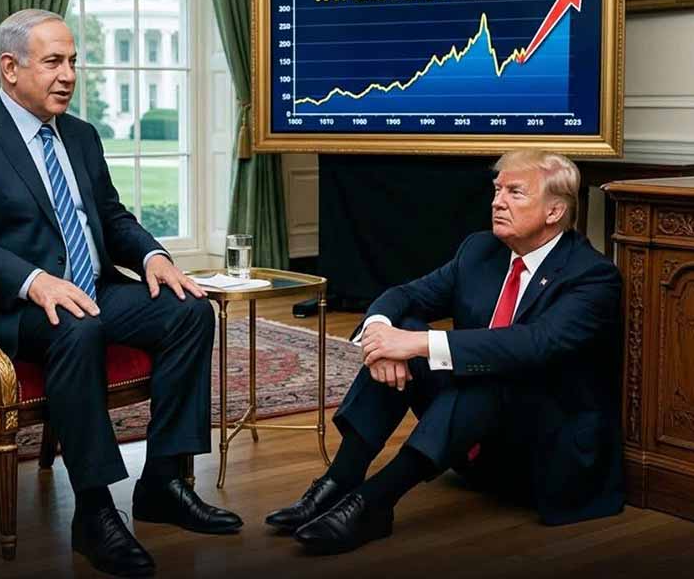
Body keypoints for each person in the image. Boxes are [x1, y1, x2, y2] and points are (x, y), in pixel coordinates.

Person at [0, 9, 241, 577]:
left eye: (73, 61)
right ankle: (94, 512)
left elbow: (111, 217)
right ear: (10, 68)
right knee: (76, 326)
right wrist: (34, 280)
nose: (68, 75)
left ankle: (163, 482)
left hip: (94, 287)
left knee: (190, 311)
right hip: (12, 305)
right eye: (53, 62)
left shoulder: (81, 135)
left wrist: (154, 256)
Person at [266, 149, 624, 554]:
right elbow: (405, 295)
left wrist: (416, 343)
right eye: (497, 190)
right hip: (475, 442)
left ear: (554, 211)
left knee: (484, 365)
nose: (497, 202)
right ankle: (340, 480)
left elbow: (534, 343)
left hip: (545, 457)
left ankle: (374, 501)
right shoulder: (481, 251)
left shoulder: (592, 275)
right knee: (405, 330)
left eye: (515, 192)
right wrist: (382, 334)